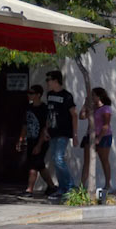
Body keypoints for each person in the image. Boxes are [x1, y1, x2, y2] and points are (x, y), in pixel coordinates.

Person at [43, 69, 76, 198]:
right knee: (55, 160)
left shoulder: (67, 96)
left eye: (48, 80)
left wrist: (75, 134)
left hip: (64, 132)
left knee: (59, 158)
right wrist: (46, 129)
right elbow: (49, 113)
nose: (47, 83)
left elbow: (74, 115)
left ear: (56, 81)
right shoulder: (49, 94)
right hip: (52, 132)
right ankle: (62, 188)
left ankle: (70, 186)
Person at [79, 86, 114, 203]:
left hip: (103, 136)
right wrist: (85, 104)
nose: (92, 97)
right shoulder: (92, 108)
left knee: (104, 160)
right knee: (87, 161)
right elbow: (82, 116)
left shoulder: (106, 109)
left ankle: (108, 184)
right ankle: (82, 185)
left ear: (99, 96)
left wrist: (99, 138)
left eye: (93, 95)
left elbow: (106, 125)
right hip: (90, 135)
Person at [17, 84, 53, 197]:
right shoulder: (28, 108)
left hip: (41, 141)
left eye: (31, 93)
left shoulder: (44, 109)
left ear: (38, 95)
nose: (29, 95)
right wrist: (21, 139)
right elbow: (25, 125)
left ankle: (29, 190)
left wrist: (39, 144)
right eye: (28, 93)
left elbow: (45, 128)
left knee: (33, 165)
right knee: (39, 165)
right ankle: (52, 186)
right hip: (31, 140)